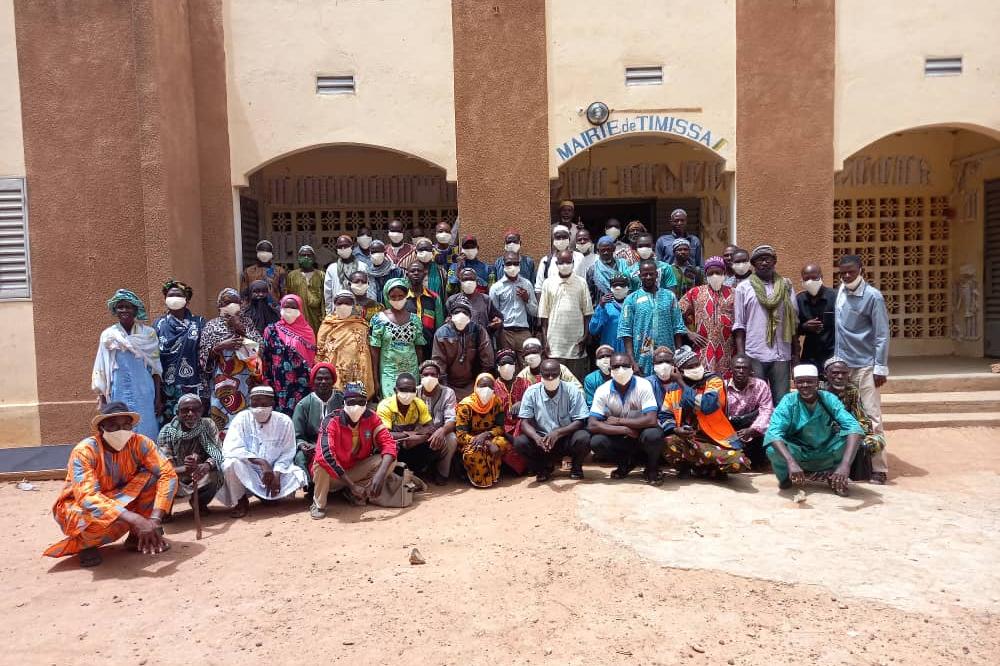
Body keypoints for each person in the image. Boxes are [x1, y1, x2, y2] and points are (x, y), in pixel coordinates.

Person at [43, 401, 177, 567]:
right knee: (92, 514)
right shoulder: (85, 451)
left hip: (119, 497)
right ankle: (86, 545)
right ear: (101, 428)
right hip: (77, 505)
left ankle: (137, 537)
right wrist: (136, 518)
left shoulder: (140, 443)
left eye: (126, 425)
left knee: (152, 478)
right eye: (114, 426)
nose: (121, 431)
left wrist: (154, 519)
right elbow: (87, 496)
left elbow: (168, 473)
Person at [833, 254, 890, 484]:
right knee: (843, 416)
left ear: (861, 270)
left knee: (871, 416)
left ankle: (879, 468)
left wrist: (880, 367)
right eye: (843, 272)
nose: (847, 276)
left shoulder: (873, 296)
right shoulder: (840, 292)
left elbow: (881, 334)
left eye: (851, 272)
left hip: (865, 365)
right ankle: (849, 465)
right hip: (842, 366)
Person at [765, 364, 864, 497]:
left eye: (810, 381)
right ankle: (785, 478)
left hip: (826, 449)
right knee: (772, 449)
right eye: (800, 382)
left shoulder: (828, 398)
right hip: (799, 451)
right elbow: (773, 432)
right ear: (795, 384)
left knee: (851, 439)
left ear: (817, 382)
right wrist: (791, 462)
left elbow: (853, 427)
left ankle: (837, 479)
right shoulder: (788, 401)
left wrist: (845, 464)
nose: (805, 385)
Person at [659, 346, 751, 478]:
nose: (696, 368)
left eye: (697, 364)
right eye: (690, 367)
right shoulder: (673, 388)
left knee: (739, 462)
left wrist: (681, 382)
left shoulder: (714, 380)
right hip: (688, 438)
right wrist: (675, 429)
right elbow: (665, 414)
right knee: (666, 442)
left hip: (714, 439)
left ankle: (704, 468)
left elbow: (707, 405)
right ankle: (693, 468)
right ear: (679, 371)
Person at [216, 385, 308, 517]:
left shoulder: (284, 421)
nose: (259, 408)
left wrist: (277, 473)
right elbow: (231, 448)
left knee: (297, 475)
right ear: (249, 403)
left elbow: (288, 452)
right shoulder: (242, 418)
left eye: (264, 404)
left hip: (274, 470)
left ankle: (267, 496)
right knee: (229, 464)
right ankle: (241, 501)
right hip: (249, 471)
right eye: (255, 404)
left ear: (273, 403)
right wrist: (261, 462)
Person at [309, 381, 398, 518]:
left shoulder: (371, 417)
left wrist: (380, 475)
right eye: (351, 402)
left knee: (389, 459)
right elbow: (325, 455)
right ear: (344, 403)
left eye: (361, 402)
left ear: (366, 403)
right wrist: (352, 485)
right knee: (320, 463)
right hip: (331, 475)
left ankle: (356, 493)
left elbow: (389, 443)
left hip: (354, 468)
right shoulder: (331, 420)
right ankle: (318, 503)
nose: (356, 406)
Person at [93, 289, 163, 440]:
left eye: (128, 307)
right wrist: (103, 399)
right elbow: (101, 367)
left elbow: (156, 369)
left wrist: (158, 397)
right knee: (120, 429)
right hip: (119, 391)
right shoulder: (109, 336)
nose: (124, 310)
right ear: (115, 310)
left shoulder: (148, 334)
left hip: (145, 393)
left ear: (135, 310)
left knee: (146, 429)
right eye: (120, 307)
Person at [733, 245, 798, 405]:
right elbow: (739, 326)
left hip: (781, 352)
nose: (764, 262)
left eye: (768, 259)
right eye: (760, 260)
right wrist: (742, 356)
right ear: (753, 264)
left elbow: (793, 322)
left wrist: (796, 353)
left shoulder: (786, 286)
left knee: (782, 401)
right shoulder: (743, 288)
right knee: (757, 401)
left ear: (774, 261)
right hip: (755, 353)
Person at [588, 353, 665, 484]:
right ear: (610, 370)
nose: (621, 370)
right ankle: (624, 464)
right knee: (597, 442)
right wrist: (624, 430)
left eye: (625, 366)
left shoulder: (644, 385)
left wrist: (619, 421)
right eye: (616, 367)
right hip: (619, 434)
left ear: (632, 368)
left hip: (641, 433)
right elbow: (592, 424)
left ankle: (652, 468)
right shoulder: (602, 390)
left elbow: (651, 419)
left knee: (654, 435)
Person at [198, 288, 265, 435]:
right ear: (220, 305)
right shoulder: (211, 325)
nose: (232, 305)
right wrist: (221, 346)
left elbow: (260, 349)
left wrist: (240, 329)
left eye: (236, 302)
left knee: (246, 421)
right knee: (222, 422)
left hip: (246, 382)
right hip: (221, 383)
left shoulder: (247, 322)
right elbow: (203, 359)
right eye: (227, 302)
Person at [514, 359, 591, 481]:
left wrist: (558, 433)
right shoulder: (531, 392)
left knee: (584, 437)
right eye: (546, 374)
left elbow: (580, 421)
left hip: (565, 437)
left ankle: (576, 467)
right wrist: (536, 438)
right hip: (542, 440)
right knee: (520, 442)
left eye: (554, 374)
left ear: (560, 374)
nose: (550, 378)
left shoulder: (572, 390)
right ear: (540, 374)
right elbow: (524, 422)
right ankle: (542, 468)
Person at [377, 372, 453, 486]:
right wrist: (410, 435)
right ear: (395, 390)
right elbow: (384, 435)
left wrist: (418, 438)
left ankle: (418, 472)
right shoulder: (385, 406)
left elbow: (430, 428)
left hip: (412, 445)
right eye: (403, 390)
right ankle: (396, 474)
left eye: (412, 390)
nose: (408, 393)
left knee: (435, 442)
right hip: (394, 447)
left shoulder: (418, 404)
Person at [156, 393, 224, 516]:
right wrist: (186, 469)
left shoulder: (208, 425)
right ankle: (165, 508)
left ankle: (199, 503)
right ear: (177, 412)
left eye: (195, 410)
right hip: (176, 478)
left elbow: (218, 452)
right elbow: (165, 468)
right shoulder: (167, 431)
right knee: (160, 478)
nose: (190, 414)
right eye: (185, 410)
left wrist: (207, 465)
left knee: (218, 472)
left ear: (201, 411)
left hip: (200, 474)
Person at [618, 259, 687, 376]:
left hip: (667, 352)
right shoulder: (631, 299)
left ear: (657, 274)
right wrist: (632, 361)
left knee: (668, 382)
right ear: (639, 276)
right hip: (642, 354)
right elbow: (625, 331)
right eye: (645, 274)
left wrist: (678, 355)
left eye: (651, 274)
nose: (648, 277)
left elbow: (678, 327)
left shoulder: (669, 296)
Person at [154, 279, 204, 424]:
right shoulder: (158, 325)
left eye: (178, 295)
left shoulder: (199, 323)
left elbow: (205, 354)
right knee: (171, 426)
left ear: (187, 300)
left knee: (194, 425)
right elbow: (154, 360)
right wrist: (157, 396)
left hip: (194, 386)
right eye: (170, 295)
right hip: (167, 389)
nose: (174, 298)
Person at [822, 357, 887, 469]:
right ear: (825, 375)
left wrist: (855, 432)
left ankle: (865, 471)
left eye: (844, 373)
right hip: (823, 435)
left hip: (846, 433)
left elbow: (862, 418)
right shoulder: (819, 392)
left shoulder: (851, 391)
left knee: (877, 441)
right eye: (835, 373)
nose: (840, 377)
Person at [539, 249, 593, 381]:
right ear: (556, 264)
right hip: (555, 344)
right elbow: (544, 316)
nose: (565, 265)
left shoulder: (581, 283)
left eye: (568, 262)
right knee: (556, 379)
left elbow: (587, 313)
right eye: (561, 262)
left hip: (576, 342)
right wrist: (545, 340)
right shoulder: (548, 283)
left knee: (576, 381)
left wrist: (585, 336)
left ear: (573, 263)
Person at [678, 255, 736, 378]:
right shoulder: (695, 292)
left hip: (728, 350)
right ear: (706, 275)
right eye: (711, 273)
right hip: (703, 349)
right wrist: (688, 333)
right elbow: (675, 313)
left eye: (718, 272)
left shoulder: (734, 293)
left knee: (726, 384)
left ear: (724, 273)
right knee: (704, 382)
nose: (714, 276)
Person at [370, 278, 426, 399]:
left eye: (401, 296)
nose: (397, 300)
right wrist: (375, 379)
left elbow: (419, 348)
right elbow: (375, 351)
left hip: (411, 371)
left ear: (406, 296)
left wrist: (421, 373)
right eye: (393, 297)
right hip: (389, 372)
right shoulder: (379, 319)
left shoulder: (415, 320)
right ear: (387, 297)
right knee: (390, 403)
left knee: (410, 402)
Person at [261, 294, 316, 415]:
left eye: (293, 307)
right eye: (286, 307)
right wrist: (266, 381)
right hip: (279, 382)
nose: (289, 310)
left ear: (300, 309)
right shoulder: (271, 330)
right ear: (281, 308)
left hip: (302, 382)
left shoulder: (308, 331)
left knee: (301, 415)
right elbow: (266, 358)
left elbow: (312, 358)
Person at [432, 296, 495, 399]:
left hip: (473, 383)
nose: (461, 315)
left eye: (465, 312)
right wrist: (445, 389)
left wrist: (481, 382)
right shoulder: (441, 334)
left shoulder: (478, 331)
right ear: (451, 315)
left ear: (470, 316)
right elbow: (438, 362)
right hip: (449, 384)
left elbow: (487, 359)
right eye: (457, 312)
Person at [291, 363, 343, 489]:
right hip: (312, 444)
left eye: (327, 378)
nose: (323, 382)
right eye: (319, 378)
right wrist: (303, 445)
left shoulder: (342, 400)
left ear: (333, 380)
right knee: (300, 457)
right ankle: (310, 487)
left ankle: (342, 486)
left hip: (338, 443)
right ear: (313, 381)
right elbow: (297, 434)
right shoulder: (303, 404)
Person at [456, 373, 511, 488]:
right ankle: (477, 477)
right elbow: (461, 435)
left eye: (490, 386)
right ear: (476, 387)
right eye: (483, 386)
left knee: (501, 443)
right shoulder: (465, 406)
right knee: (476, 450)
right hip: (470, 439)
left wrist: (487, 435)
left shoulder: (496, 401)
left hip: (489, 435)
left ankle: (493, 475)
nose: (486, 390)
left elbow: (500, 427)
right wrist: (485, 442)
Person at [315, 290, 376, 392]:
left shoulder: (361, 325)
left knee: (356, 397)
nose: (343, 306)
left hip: (356, 370)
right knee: (336, 395)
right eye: (340, 303)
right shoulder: (327, 324)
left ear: (353, 305)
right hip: (334, 367)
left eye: (347, 303)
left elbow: (365, 352)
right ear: (335, 304)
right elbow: (320, 349)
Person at [724, 353, 774, 470]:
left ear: (751, 370)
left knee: (773, 420)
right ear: (731, 370)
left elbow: (766, 410)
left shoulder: (760, 385)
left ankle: (760, 460)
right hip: (728, 427)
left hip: (752, 427)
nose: (741, 371)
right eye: (737, 367)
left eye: (745, 368)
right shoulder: (722, 386)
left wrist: (753, 430)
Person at [490, 251, 538, 366]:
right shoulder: (496, 287)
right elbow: (493, 314)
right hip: (505, 333)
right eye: (509, 263)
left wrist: (527, 299)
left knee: (528, 366)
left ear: (520, 265)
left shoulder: (527, 284)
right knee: (507, 366)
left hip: (523, 332)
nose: (512, 266)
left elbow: (535, 312)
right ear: (503, 265)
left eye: (516, 263)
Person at [415, 360, 459, 485]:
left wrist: (442, 431)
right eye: (425, 374)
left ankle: (442, 472)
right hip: (420, 432)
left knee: (452, 439)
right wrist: (421, 432)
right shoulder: (414, 392)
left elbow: (451, 419)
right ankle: (418, 471)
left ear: (438, 376)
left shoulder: (448, 392)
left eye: (433, 374)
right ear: (420, 376)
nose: (429, 377)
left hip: (440, 432)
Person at [797, 263, 836, 372]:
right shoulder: (799, 299)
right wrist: (804, 327)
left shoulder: (835, 296)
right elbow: (793, 329)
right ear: (802, 280)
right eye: (806, 278)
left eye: (814, 278)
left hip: (832, 355)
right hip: (809, 355)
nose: (810, 281)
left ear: (821, 277)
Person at [493, 348, 533, 444]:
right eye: (503, 363)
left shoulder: (525, 383)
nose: (507, 366)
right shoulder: (493, 386)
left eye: (510, 363)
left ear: (514, 365)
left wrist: (522, 403)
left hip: (522, 425)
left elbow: (535, 402)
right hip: (501, 427)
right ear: (498, 366)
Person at [284, 245, 325, 333]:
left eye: (309, 255)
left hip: (316, 316)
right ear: (299, 258)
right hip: (298, 315)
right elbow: (288, 295)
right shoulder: (292, 275)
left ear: (314, 258)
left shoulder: (321, 275)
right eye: (303, 255)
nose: (306, 257)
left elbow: (324, 297)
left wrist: (324, 315)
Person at [448, 266, 501, 334]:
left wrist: (496, 323)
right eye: (465, 279)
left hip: (482, 338)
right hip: (460, 339)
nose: (468, 282)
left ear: (476, 281)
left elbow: (495, 319)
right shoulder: (452, 300)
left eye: (471, 279)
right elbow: (446, 322)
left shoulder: (486, 300)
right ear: (460, 281)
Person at [324, 234, 369, 313]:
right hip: (338, 309)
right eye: (340, 247)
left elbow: (368, 289)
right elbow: (328, 293)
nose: (343, 248)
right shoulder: (332, 268)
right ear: (337, 249)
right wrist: (329, 312)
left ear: (352, 247)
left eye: (346, 246)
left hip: (358, 309)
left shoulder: (362, 266)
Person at [515, 337, 583, 389]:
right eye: (527, 354)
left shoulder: (560, 369)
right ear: (523, 358)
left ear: (541, 353)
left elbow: (578, 389)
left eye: (534, 352)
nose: (531, 356)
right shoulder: (522, 376)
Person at [535, 225, 583, 295]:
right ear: (553, 240)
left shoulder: (579, 257)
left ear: (569, 238)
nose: (561, 240)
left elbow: (583, 283)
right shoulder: (546, 261)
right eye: (558, 237)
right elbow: (538, 289)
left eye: (564, 237)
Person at [589, 274, 629, 353]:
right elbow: (593, 330)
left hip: (628, 351)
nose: (618, 288)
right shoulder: (605, 306)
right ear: (611, 288)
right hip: (609, 350)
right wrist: (601, 307)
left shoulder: (632, 305)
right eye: (615, 286)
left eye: (621, 285)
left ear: (627, 288)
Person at [587, 235, 630, 305]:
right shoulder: (593, 270)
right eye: (603, 250)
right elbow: (590, 295)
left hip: (625, 306)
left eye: (608, 249)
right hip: (603, 307)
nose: (606, 252)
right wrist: (600, 302)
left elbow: (630, 287)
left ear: (613, 249)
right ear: (598, 251)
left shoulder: (624, 265)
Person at [241, 239, 286, 305]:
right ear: (257, 253)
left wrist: (282, 307)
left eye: (267, 251)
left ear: (272, 254)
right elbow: (244, 293)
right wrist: (245, 307)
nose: (264, 254)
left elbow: (283, 292)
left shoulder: (279, 271)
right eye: (262, 251)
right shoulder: (248, 271)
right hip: (254, 307)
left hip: (273, 307)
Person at [366, 239, 404, 306]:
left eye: (379, 252)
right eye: (373, 252)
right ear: (369, 254)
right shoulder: (367, 273)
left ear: (385, 253)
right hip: (374, 308)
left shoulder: (396, 271)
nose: (376, 254)